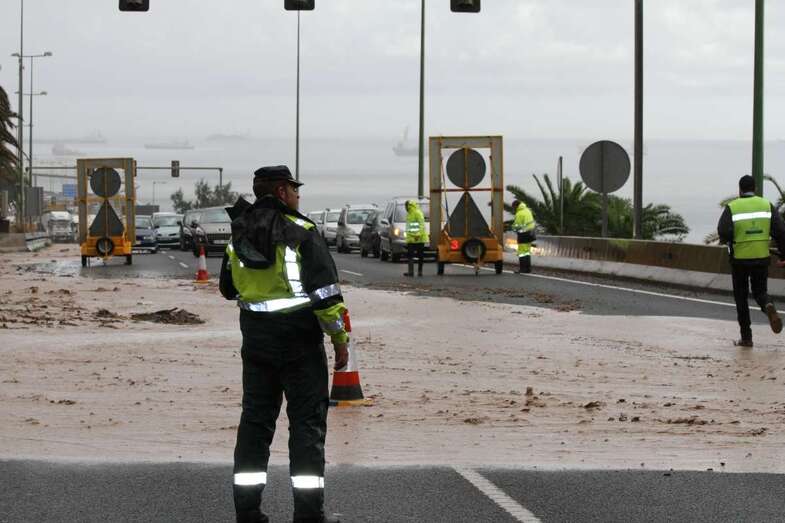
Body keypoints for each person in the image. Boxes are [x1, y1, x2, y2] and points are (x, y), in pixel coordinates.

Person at [220, 165, 348, 523]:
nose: (298, 195)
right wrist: (340, 340)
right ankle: (308, 516)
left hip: (256, 343)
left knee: (254, 425)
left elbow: (228, 290)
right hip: (300, 344)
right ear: (280, 192)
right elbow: (326, 296)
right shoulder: (302, 232)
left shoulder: (239, 233)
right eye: (294, 189)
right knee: (306, 427)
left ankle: (248, 513)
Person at [717, 175, 785, 347]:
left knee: (741, 297)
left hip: (739, 259)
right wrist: (783, 255)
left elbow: (723, 231)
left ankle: (746, 338)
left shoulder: (733, 207)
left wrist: (732, 238)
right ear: (755, 189)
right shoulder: (766, 205)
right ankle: (768, 305)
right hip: (761, 258)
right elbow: (780, 232)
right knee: (760, 292)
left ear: (740, 190)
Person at [403, 199, 428, 277]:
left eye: (406, 206)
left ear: (409, 206)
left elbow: (421, 225)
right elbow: (409, 227)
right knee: (410, 255)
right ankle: (411, 272)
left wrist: (418, 235)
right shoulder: (409, 214)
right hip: (411, 239)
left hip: (419, 239)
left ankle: (420, 272)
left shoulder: (417, 213)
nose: (405, 208)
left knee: (420, 255)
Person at [511, 200, 535, 274]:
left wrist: (512, 227)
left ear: (516, 206)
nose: (513, 209)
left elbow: (517, 226)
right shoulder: (527, 210)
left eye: (514, 207)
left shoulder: (519, 213)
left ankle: (523, 269)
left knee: (522, 252)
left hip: (523, 234)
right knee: (527, 252)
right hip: (530, 234)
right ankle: (528, 269)